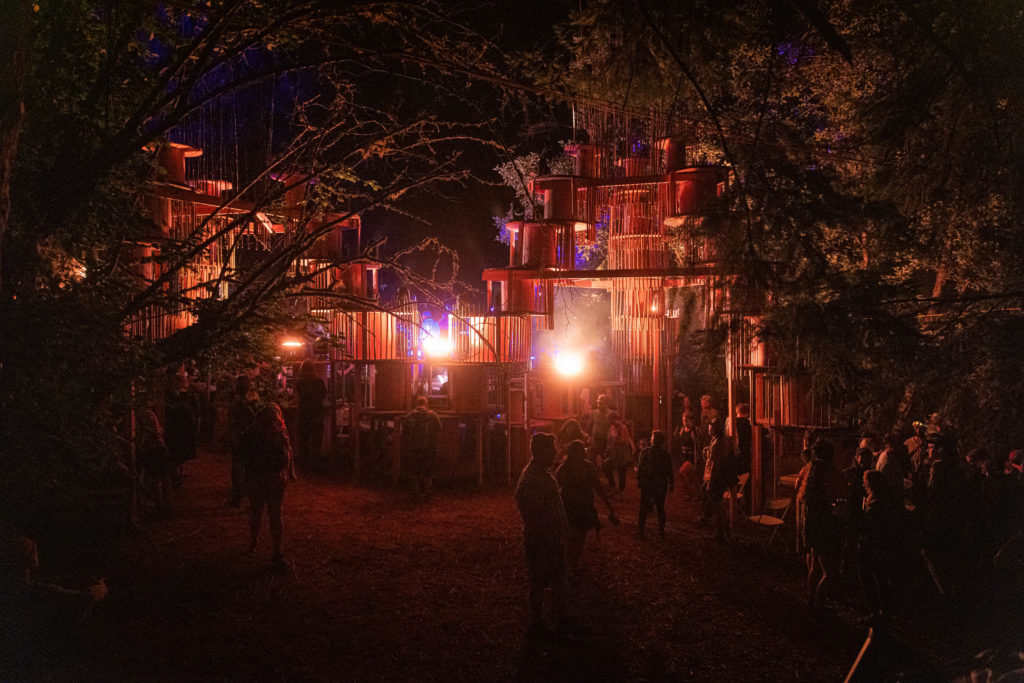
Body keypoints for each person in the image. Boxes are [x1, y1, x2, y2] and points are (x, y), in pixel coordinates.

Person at [0, 537, 108, 660]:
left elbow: (55, 580)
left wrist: (81, 579)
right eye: (34, 551)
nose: (37, 554)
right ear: (26, 558)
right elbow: (82, 597)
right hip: (44, 649)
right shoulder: (33, 590)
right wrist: (100, 587)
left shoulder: (11, 584)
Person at [515, 433, 570, 640]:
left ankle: (559, 619)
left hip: (548, 536)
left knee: (555, 578)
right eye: (552, 450)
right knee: (540, 580)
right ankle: (538, 623)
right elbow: (535, 513)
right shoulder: (534, 479)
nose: (555, 453)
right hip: (542, 538)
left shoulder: (540, 475)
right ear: (542, 452)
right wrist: (549, 535)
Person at [240, 404, 294, 565]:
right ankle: (277, 550)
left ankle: (253, 544)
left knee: (256, 512)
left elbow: (241, 455)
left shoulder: (250, 432)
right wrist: (288, 473)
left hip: (256, 478)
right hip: (275, 479)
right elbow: (287, 454)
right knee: (275, 514)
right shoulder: (279, 432)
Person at [555, 440, 616, 581]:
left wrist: (608, 505)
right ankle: (570, 566)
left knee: (576, 538)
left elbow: (598, 487)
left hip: (577, 507)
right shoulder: (571, 468)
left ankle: (570, 566)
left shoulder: (572, 467)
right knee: (574, 538)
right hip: (573, 507)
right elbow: (554, 487)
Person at [799, 439, 845, 612]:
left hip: (811, 522)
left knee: (814, 566)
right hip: (824, 523)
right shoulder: (829, 472)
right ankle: (818, 607)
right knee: (829, 572)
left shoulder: (809, 469)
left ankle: (811, 600)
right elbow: (838, 494)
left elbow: (803, 494)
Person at [701, 419, 736, 542]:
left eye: (711, 429)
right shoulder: (720, 441)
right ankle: (724, 529)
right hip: (720, 476)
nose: (709, 431)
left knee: (718, 506)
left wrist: (710, 483)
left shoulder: (718, 444)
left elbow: (715, 465)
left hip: (717, 478)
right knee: (716, 502)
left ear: (715, 430)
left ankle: (720, 533)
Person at [403, 396, 442, 500]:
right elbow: (439, 429)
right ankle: (428, 493)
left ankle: (415, 493)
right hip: (429, 448)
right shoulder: (433, 415)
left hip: (414, 448)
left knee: (414, 471)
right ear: (426, 404)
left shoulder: (409, 416)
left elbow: (405, 433)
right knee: (428, 471)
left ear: (416, 404)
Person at [637, 430, 674, 539]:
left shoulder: (645, 452)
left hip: (648, 484)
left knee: (644, 508)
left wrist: (639, 480)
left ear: (652, 440)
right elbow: (669, 470)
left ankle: (641, 532)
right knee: (660, 508)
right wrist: (671, 482)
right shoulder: (665, 455)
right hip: (660, 484)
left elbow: (640, 468)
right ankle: (661, 532)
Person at [164, 374, 199, 487]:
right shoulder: (173, 395)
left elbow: (195, 411)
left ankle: (179, 473)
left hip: (183, 426)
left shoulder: (188, 395)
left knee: (180, 450)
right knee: (176, 450)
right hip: (177, 427)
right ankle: (177, 474)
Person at [226, 375, 256, 507]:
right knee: (246, 465)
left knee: (238, 465)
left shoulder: (236, 405)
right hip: (246, 436)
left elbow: (231, 421)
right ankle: (246, 495)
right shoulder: (249, 405)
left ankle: (238, 496)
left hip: (239, 436)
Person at [295, 359, 328, 463]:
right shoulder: (318, 381)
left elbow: (298, 396)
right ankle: (315, 462)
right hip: (317, 413)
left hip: (304, 413)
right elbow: (324, 395)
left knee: (304, 439)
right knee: (316, 440)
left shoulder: (300, 382)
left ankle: (304, 462)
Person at [604, 416, 634, 492]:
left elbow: (625, 441)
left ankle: (621, 490)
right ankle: (612, 484)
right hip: (613, 453)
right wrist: (608, 448)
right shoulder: (611, 427)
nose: (610, 422)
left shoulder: (623, 428)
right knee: (606, 466)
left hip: (622, 454)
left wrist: (617, 437)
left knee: (621, 472)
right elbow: (609, 439)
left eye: (611, 420)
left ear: (615, 419)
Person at [676, 411, 702, 499]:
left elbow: (698, 445)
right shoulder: (682, 430)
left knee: (682, 472)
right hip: (684, 456)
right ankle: (699, 493)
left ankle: (691, 492)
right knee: (692, 476)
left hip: (691, 457)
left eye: (686, 421)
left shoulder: (695, 431)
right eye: (683, 421)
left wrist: (697, 458)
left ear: (691, 421)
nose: (685, 423)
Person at [587, 394, 614, 469]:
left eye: (601, 403)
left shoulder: (610, 413)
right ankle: (593, 473)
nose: (599, 405)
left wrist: (611, 441)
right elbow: (590, 426)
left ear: (606, 404)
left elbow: (614, 427)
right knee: (590, 459)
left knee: (606, 462)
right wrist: (589, 436)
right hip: (594, 441)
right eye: (598, 403)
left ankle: (607, 474)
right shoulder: (594, 413)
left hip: (605, 442)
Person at [733, 403, 752, 477]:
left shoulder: (731, 422)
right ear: (747, 413)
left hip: (734, 451)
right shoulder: (748, 424)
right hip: (745, 451)